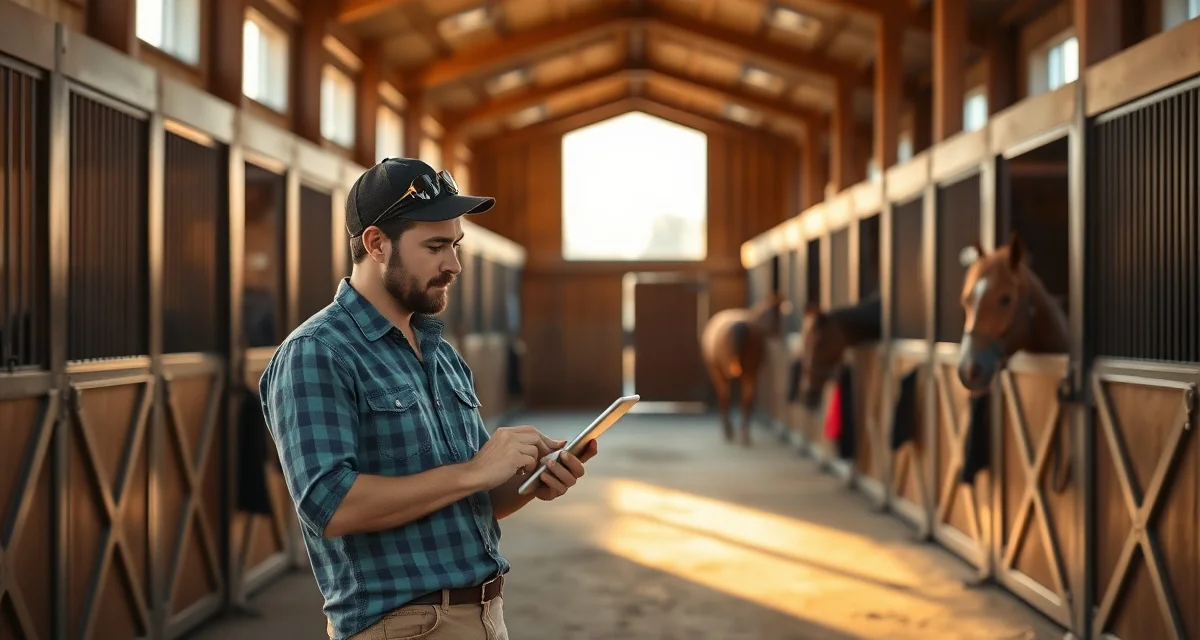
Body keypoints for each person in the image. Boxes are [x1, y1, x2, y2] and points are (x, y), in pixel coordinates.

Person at [258, 157, 597, 640]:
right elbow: (329, 507)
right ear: (376, 244)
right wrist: (477, 470)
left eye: (455, 245)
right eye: (435, 246)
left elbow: (467, 498)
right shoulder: (316, 353)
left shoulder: (442, 354)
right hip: (403, 627)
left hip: (483, 615)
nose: (454, 265)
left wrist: (529, 483)